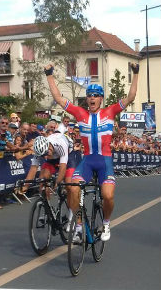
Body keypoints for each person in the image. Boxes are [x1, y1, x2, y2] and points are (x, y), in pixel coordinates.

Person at [44, 62, 139, 241]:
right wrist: (49, 74)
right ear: (86, 99)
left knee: (107, 195)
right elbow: (58, 98)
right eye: (89, 96)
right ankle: (79, 226)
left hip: (105, 161)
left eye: (96, 95)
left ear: (101, 99)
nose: (92, 98)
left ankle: (106, 223)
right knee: (72, 188)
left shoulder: (110, 111)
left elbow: (131, 97)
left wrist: (135, 73)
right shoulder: (80, 113)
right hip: (87, 160)